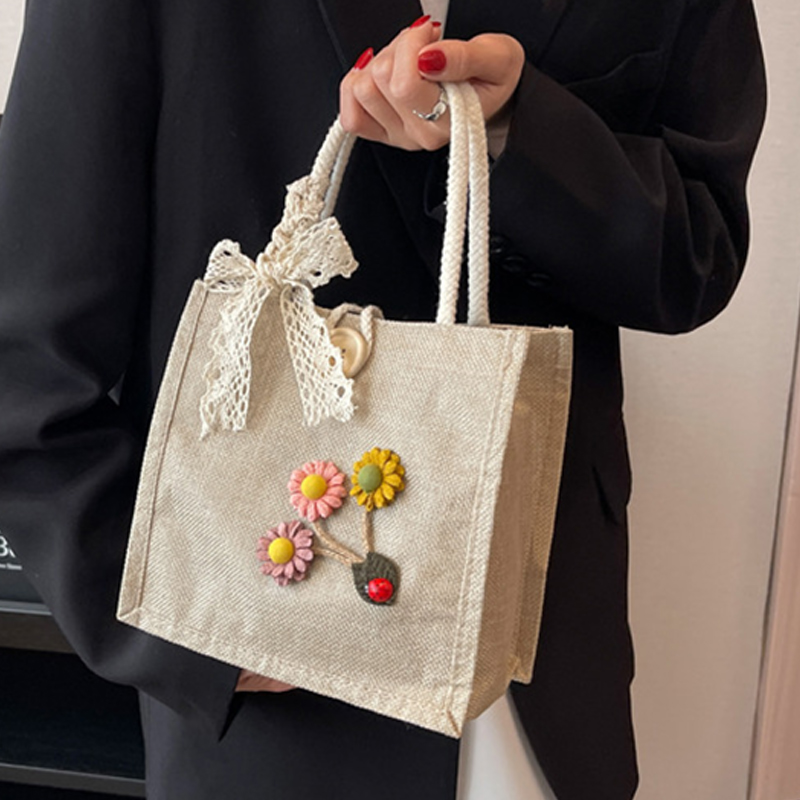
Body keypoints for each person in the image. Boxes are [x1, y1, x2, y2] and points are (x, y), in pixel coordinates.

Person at [0, 2, 766, 799]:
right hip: (279, 690)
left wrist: (522, 132)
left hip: (546, 648)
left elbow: (695, 255)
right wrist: (177, 632)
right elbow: (25, 361)